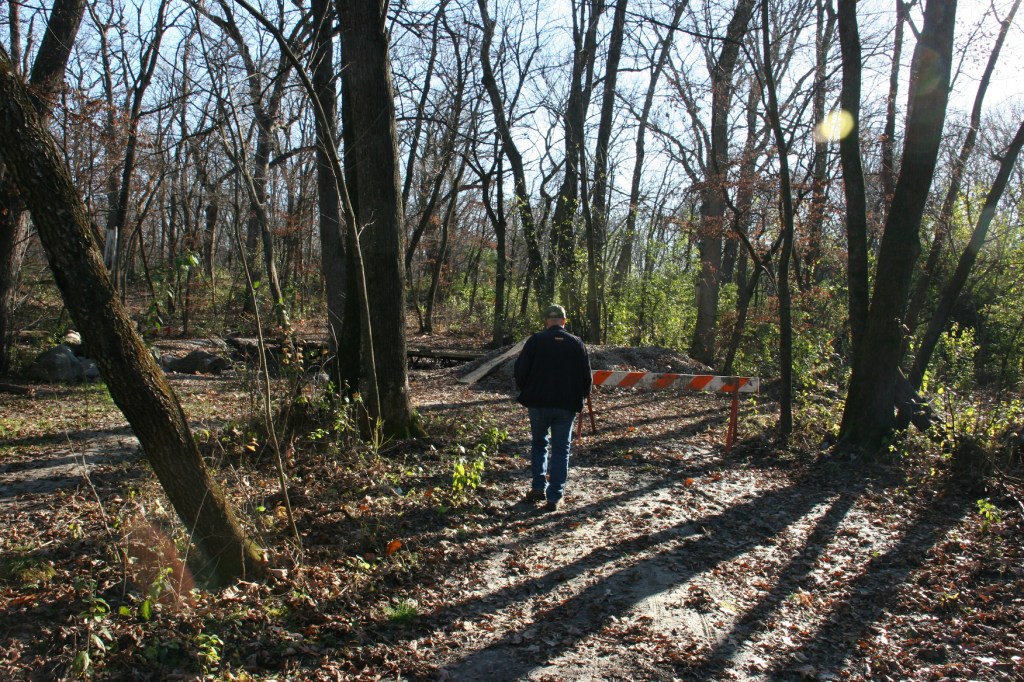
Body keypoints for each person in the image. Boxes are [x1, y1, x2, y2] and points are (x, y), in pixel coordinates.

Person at [513, 304, 592, 511]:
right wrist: (581, 396)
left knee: (539, 444)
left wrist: (529, 391)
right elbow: (587, 378)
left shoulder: (536, 341)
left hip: (538, 403)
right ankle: (555, 496)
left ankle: (538, 487)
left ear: (546, 321)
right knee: (561, 449)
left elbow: (520, 372)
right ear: (564, 321)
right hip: (566, 405)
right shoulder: (577, 343)